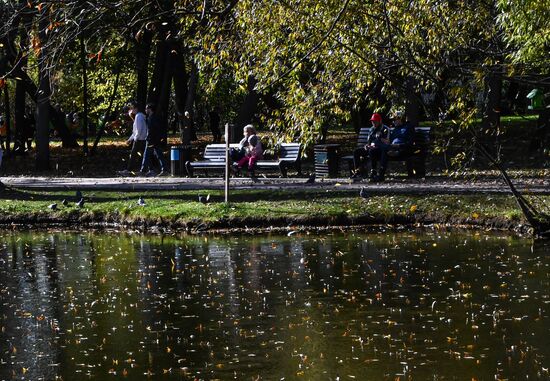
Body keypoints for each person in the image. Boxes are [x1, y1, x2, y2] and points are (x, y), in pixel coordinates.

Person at [352, 113, 390, 181]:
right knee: (356, 152)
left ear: (380, 121)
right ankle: (358, 171)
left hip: (380, 149)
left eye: (375, 121)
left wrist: (380, 138)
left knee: (372, 151)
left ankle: (373, 171)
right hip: (371, 147)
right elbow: (369, 141)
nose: (373, 123)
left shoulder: (385, 129)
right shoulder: (371, 129)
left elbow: (387, 142)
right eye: (372, 121)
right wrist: (366, 146)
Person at [117, 102, 147, 176]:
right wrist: (130, 139)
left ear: (136, 108)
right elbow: (135, 130)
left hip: (139, 139)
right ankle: (149, 169)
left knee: (133, 155)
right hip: (141, 139)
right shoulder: (139, 116)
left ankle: (129, 170)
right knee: (145, 155)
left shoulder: (139, 116)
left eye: (132, 108)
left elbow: (138, 130)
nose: (131, 110)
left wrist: (135, 138)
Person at [139, 103, 168, 176]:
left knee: (146, 155)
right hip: (155, 140)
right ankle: (164, 169)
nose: (145, 110)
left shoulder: (151, 118)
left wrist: (149, 139)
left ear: (150, 109)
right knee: (159, 155)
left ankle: (143, 170)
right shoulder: (154, 117)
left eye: (146, 108)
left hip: (151, 140)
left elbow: (151, 130)